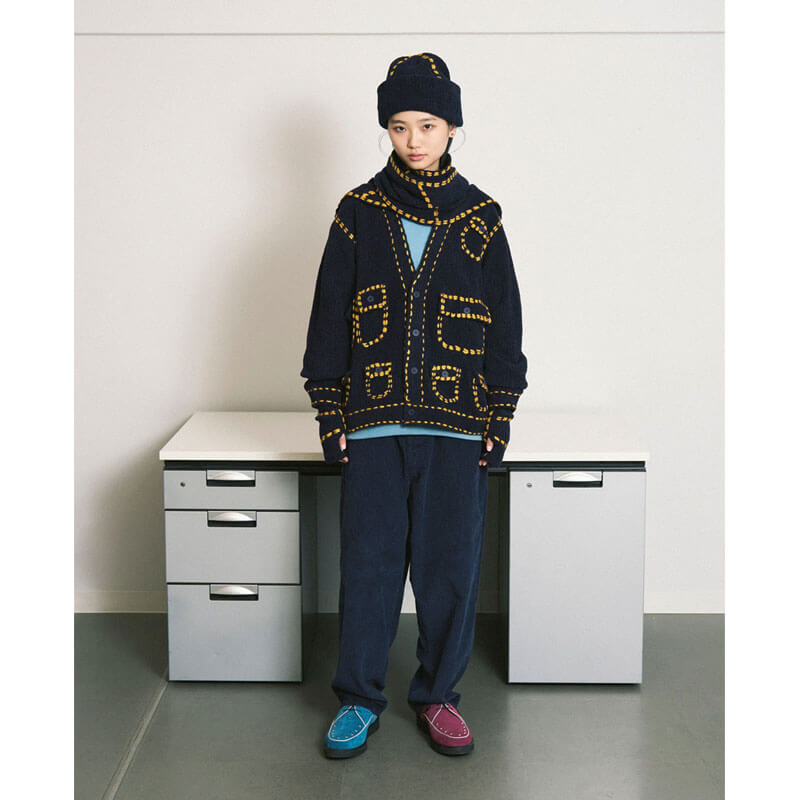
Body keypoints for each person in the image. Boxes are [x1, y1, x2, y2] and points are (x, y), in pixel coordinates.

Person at [300, 52, 528, 759]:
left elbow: (506, 324)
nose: (414, 140)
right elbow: (328, 318)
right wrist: (330, 413)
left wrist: (499, 415)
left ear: (452, 126)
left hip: (458, 429)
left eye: (427, 124)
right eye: (399, 126)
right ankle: (358, 699)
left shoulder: (481, 218)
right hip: (372, 425)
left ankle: (438, 698)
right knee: (368, 570)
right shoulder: (358, 213)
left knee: (449, 573)